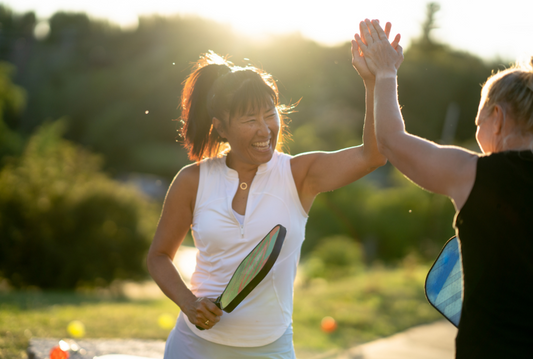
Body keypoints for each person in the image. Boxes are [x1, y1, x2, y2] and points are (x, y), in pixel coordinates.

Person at [146, 33, 402, 358]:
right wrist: (189, 302)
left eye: (270, 114)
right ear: (221, 127)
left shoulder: (299, 175)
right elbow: (158, 257)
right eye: (250, 119)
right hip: (193, 347)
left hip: (269, 349)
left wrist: (376, 81)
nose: (265, 129)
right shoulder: (192, 180)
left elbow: (374, 155)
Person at [353, 19, 533, 358]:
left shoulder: (476, 175)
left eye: (479, 122)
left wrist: (385, 74)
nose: (479, 135)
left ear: (497, 117)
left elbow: (391, 141)